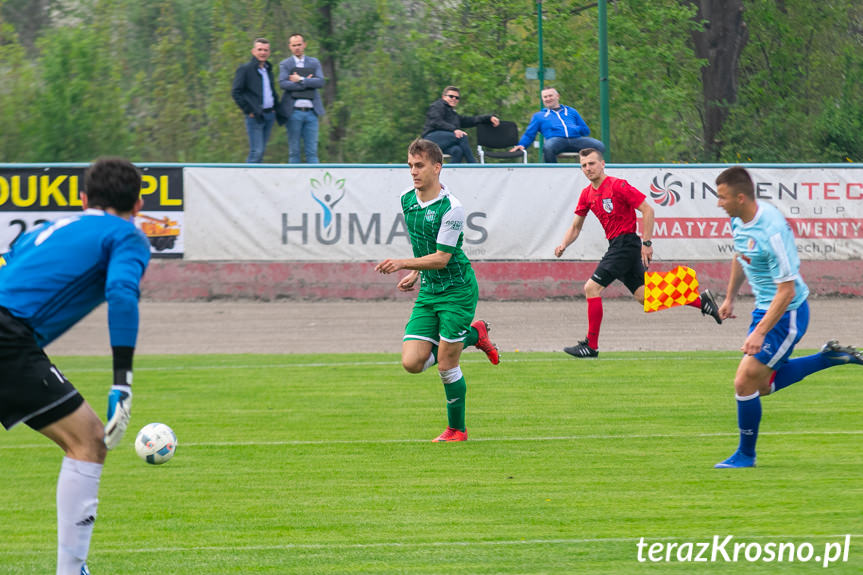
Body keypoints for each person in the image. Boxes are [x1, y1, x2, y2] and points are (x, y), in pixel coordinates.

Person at [0, 157, 150, 574]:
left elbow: (7, 265)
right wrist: (123, 381)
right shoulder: (127, 235)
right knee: (88, 439)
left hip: (11, 334)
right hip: (7, 337)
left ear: (84, 199)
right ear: (137, 205)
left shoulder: (45, 230)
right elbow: (122, 293)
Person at [712, 166, 862, 469]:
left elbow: (787, 291)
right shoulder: (738, 220)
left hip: (788, 313)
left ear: (741, 197)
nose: (719, 203)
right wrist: (729, 297)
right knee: (762, 386)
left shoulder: (773, 230)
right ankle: (826, 359)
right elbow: (741, 255)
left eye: (722, 197)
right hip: (766, 310)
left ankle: (746, 455)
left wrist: (759, 333)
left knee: (744, 381)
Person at [375, 138, 500, 442]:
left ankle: (457, 429)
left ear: (437, 167)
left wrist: (404, 263)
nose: (413, 172)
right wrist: (416, 273)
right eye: (410, 166)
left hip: (457, 290)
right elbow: (426, 246)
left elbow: (443, 257)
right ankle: (475, 334)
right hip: (430, 291)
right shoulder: (407, 199)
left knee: (446, 364)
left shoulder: (451, 208)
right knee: (412, 363)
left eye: (419, 166)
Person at [554, 148, 721, 358]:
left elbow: (648, 210)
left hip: (625, 245)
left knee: (591, 288)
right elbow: (576, 227)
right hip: (618, 245)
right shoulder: (587, 194)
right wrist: (564, 244)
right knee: (645, 297)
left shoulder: (618, 186)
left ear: (602, 164)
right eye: (584, 165)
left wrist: (647, 242)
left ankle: (591, 345)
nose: (588, 168)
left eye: (592, 164)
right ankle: (700, 300)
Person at [510, 87, 606, 163]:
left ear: (557, 96)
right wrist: (522, 144)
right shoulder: (539, 116)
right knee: (548, 147)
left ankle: (591, 171)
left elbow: (585, 130)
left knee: (599, 145)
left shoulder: (571, 111)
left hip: (576, 139)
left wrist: (575, 129)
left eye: (550, 96)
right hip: (556, 140)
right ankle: (554, 173)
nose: (548, 99)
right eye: (545, 97)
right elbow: (529, 134)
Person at [232, 37, 285, 163]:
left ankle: (255, 180)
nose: (263, 53)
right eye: (260, 49)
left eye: (265, 50)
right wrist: (248, 110)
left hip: (269, 115)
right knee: (257, 151)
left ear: (269, 52)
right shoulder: (245, 69)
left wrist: (277, 110)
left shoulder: (268, 70)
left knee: (261, 152)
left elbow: (271, 91)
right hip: (255, 115)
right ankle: (246, 179)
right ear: (253, 51)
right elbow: (236, 92)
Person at [278, 33, 325, 163]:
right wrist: (307, 84)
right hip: (294, 112)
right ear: (290, 47)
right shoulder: (285, 64)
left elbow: (320, 82)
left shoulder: (314, 62)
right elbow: (283, 84)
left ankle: (315, 182)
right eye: (294, 45)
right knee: (294, 152)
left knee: (312, 152)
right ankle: (294, 182)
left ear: (304, 44)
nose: (297, 47)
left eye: (299, 44)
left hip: (311, 112)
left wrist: (300, 80)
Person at [421, 86, 500, 164]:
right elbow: (436, 121)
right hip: (430, 139)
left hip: (444, 141)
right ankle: (473, 164)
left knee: (457, 150)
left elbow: (471, 120)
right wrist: (454, 130)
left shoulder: (453, 114)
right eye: (451, 96)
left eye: (457, 98)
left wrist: (488, 118)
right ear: (443, 97)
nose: (454, 99)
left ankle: (451, 174)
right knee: (462, 136)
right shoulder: (437, 106)